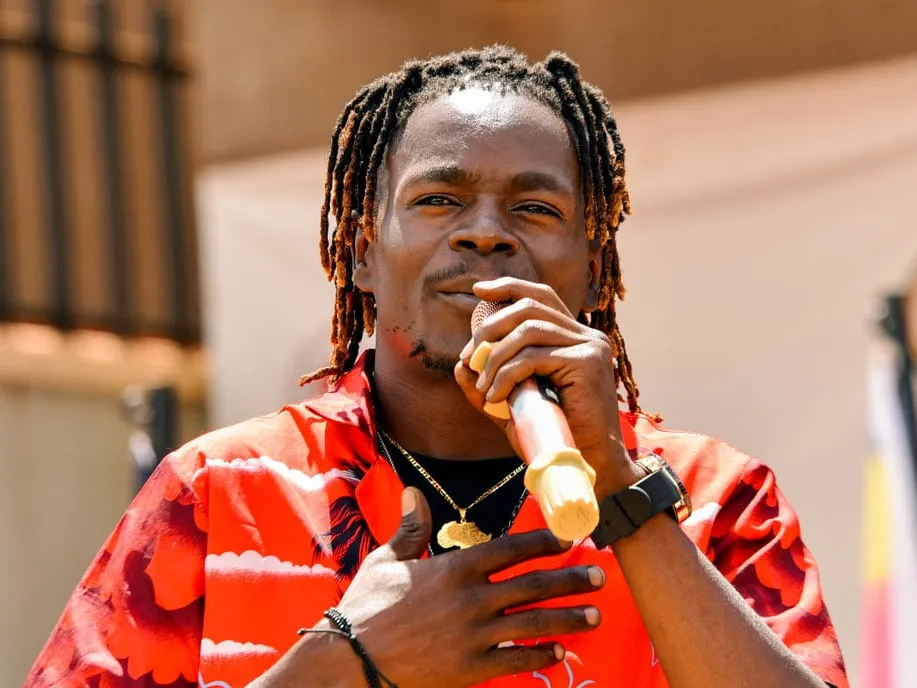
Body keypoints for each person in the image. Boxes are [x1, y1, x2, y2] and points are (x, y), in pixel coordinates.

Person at [25, 46, 848, 688]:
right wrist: (343, 661)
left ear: (595, 272)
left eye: (534, 207)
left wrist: (620, 490)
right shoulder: (216, 491)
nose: (484, 232)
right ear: (360, 254)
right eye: (437, 200)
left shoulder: (717, 498)